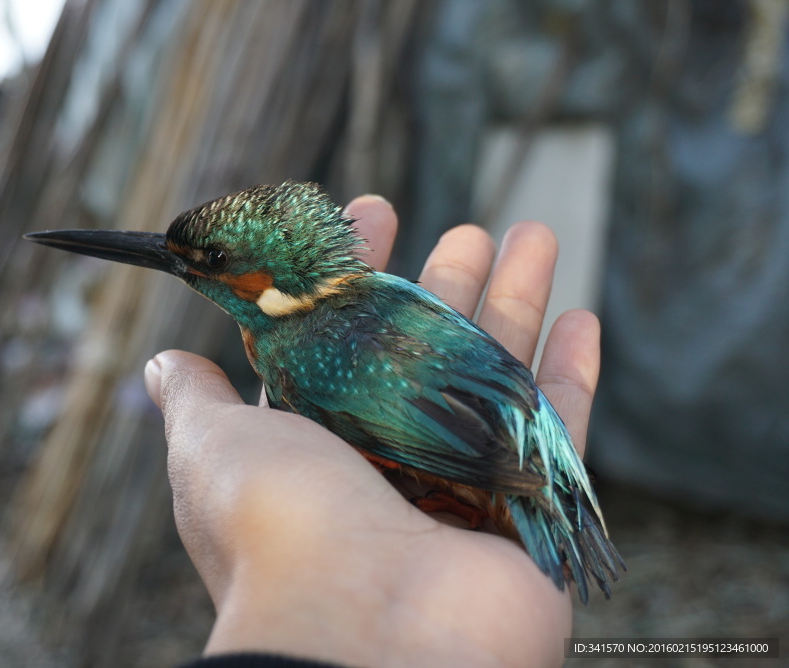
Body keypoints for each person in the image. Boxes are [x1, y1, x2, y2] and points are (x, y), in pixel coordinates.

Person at [143, 195, 600, 668]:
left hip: (493, 454)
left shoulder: (292, 349)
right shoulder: (386, 290)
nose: (201, 266)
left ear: (270, 275)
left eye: (214, 260)